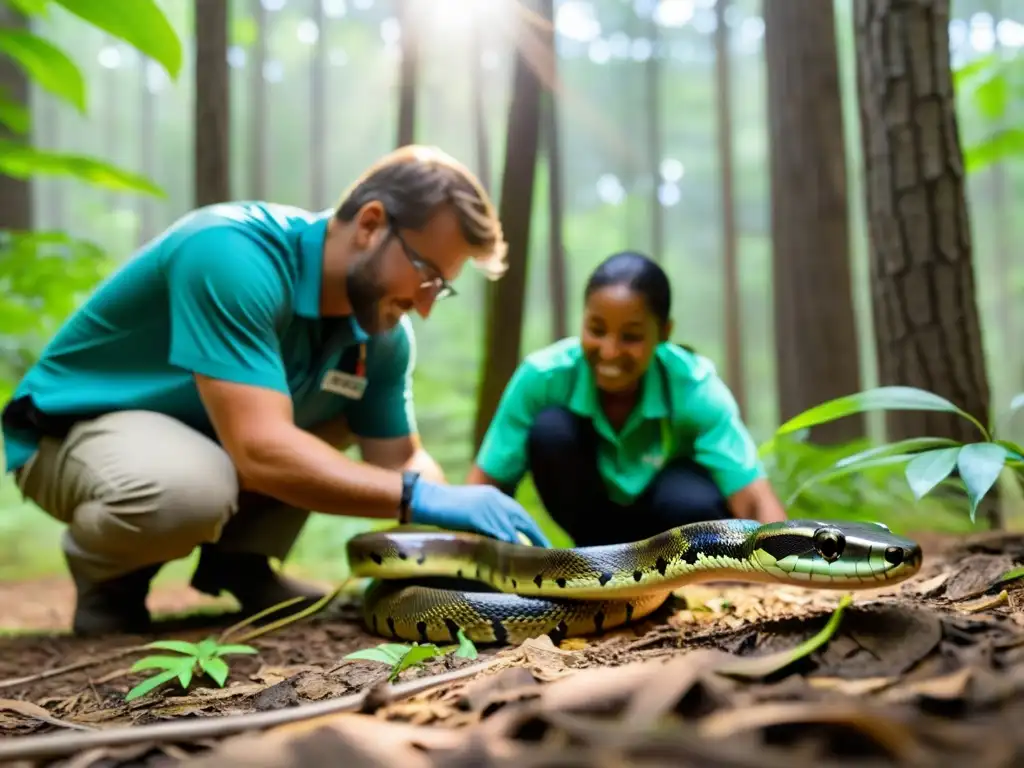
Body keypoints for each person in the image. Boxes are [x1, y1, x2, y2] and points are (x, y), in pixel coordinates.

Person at [1, 145, 550, 637]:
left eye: (443, 288)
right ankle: (109, 582)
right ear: (371, 223)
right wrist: (421, 498)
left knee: (328, 424)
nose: (426, 305)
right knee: (193, 488)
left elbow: (401, 459)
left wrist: (459, 543)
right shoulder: (231, 253)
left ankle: (242, 562)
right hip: (70, 435)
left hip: (208, 443)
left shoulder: (380, 334)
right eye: (426, 274)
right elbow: (263, 449)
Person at [467, 251, 787, 547]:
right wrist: (456, 560)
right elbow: (486, 486)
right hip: (592, 529)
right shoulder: (543, 377)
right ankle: (596, 568)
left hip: (671, 535)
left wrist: (789, 570)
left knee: (690, 498)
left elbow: (753, 498)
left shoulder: (694, 388)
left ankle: (686, 587)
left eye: (631, 336)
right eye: (596, 329)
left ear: (663, 332)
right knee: (552, 430)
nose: (609, 351)